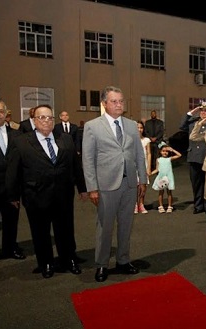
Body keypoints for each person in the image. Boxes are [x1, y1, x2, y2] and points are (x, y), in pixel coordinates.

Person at [6, 104, 88, 278]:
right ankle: (46, 263)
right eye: (41, 117)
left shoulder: (65, 139)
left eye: (50, 117)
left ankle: (69, 259)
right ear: (34, 120)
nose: (46, 121)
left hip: (63, 195)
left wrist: (82, 188)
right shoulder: (21, 142)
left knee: (65, 230)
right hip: (36, 196)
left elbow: (75, 166)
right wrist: (12, 195)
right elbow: (13, 171)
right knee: (40, 232)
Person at [82, 86, 148, 283]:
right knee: (105, 227)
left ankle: (123, 260)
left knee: (126, 226)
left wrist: (142, 179)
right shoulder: (92, 126)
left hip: (129, 184)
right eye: (114, 101)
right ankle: (102, 265)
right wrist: (92, 187)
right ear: (104, 103)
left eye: (121, 101)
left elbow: (138, 154)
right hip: (105, 186)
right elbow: (88, 159)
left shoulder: (130, 125)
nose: (119, 104)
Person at [0, 101, 26, 260]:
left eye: (1, 111)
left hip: (11, 190)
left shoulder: (17, 135)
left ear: (6, 114)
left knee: (11, 221)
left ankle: (10, 248)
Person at [179, 104, 206, 215]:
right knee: (196, 183)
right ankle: (198, 205)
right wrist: (192, 112)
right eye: (201, 111)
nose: (203, 113)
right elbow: (182, 125)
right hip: (194, 157)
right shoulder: (194, 122)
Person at [151, 142, 182, 214]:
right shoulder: (158, 159)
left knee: (169, 192)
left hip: (169, 177)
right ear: (160, 152)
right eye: (163, 151)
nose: (165, 152)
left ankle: (169, 206)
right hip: (161, 177)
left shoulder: (169, 159)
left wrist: (172, 150)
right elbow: (157, 169)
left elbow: (179, 155)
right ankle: (161, 206)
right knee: (161, 192)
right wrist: (150, 173)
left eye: (166, 151)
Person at [135, 121, 152, 214]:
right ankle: (134, 205)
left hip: (144, 165)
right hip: (134, 166)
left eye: (141, 128)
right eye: (138, 128)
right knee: (134, 187)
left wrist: (148, 167)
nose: (139, 130)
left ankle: (141, 204)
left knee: (143, 186)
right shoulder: (131, 140)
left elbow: (149, 154)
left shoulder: (146, 140)